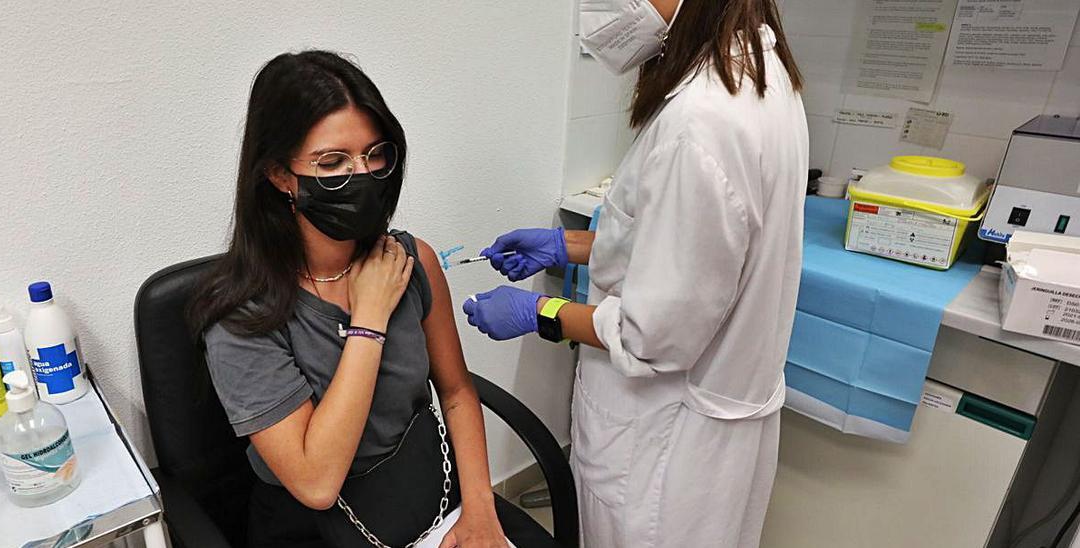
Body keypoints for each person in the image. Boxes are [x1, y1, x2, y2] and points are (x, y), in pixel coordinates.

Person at [463, 1, 807, 546]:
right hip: (705, 433)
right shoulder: (757, 74)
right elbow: (681, 251)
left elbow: (651, 336)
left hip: (664, 450)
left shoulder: (701, 122)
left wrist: (540, 312)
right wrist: (565, 245)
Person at [188, 50, 553, 548]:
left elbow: (457, 392)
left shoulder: (411, 260)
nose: (362, 175)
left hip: (433, 494)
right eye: (332, 162)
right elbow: (316, 482)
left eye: (375, 154)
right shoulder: (241, 316)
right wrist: (370, 319)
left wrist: (481, 512)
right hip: (319, 526)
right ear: (278, 176)